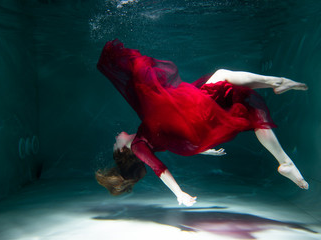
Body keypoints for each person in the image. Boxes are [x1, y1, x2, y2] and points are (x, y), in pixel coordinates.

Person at [96, 39, 309, 207]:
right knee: (222, 76)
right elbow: (159, 169)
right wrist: (179, 193)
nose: (116, 137)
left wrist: (204, 149)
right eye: (116, 143)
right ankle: (275, 82)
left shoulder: (146, 140)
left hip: (189, 120)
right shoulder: (138, 146)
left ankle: (286, 162)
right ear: (123, 150)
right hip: (189, 115)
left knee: (242, 103)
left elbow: (173, 142)